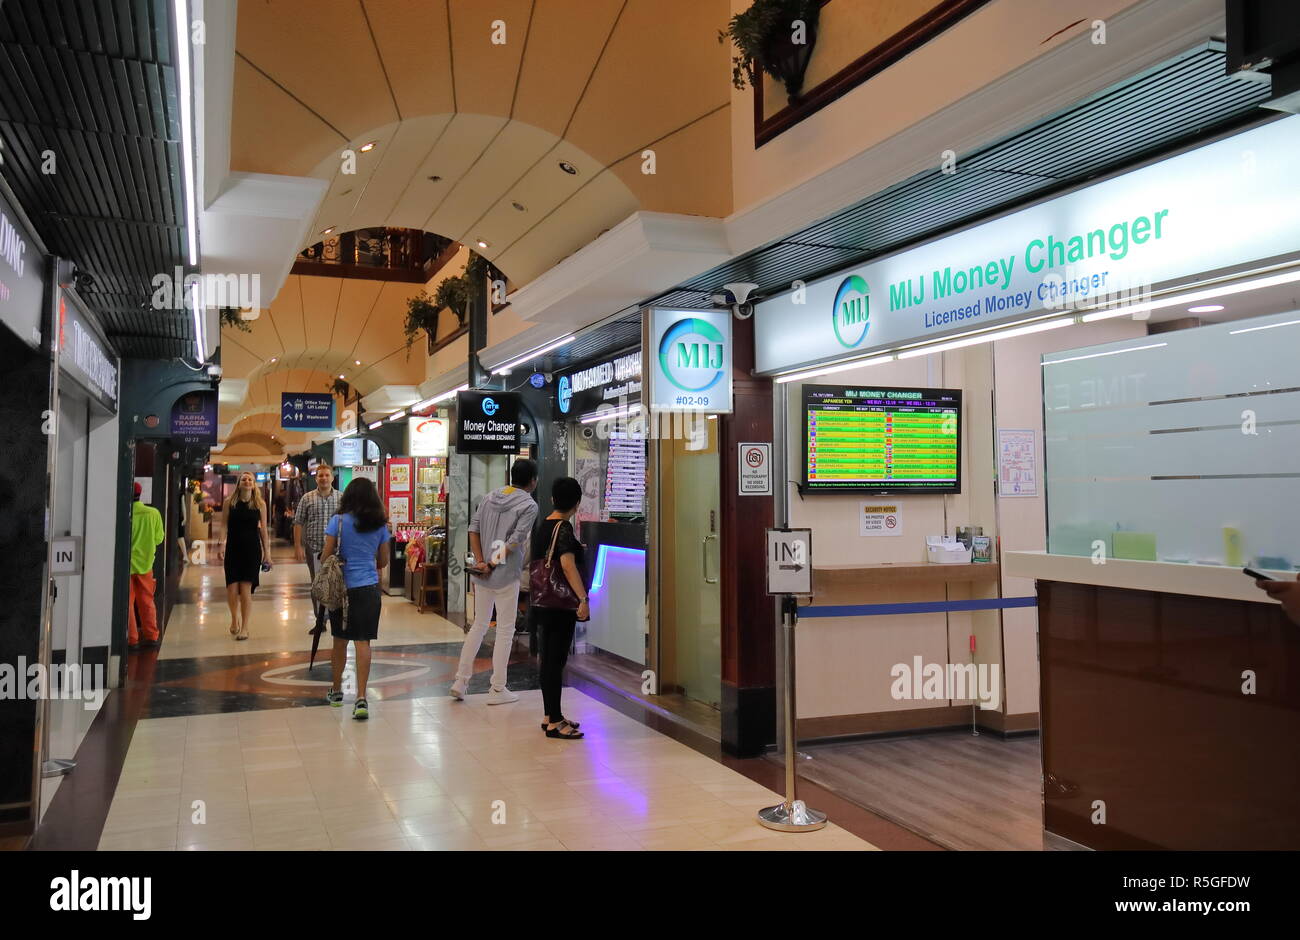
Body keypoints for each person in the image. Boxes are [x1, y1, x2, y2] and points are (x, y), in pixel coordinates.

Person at [450, 458, 539, 704]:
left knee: (479, 625)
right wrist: (492, 563)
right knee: (504, 630)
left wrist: (481, 561)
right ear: (533, 481)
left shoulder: (490, 497)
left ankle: (461, 681)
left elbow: (473, 529)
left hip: (483, 577)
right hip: (506, 575)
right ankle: (498, 689)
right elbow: (515, 541)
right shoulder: (529, 505)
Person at [320, 477, 392, 720]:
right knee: (363, 642)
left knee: (339, 641)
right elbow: (383, 562)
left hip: (341, 589)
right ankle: (361, 698)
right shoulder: (380, 526)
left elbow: (324, 557)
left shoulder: (337, 521)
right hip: (369, 588)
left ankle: (337, 691)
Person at [531, 476, 589, 740]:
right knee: (556, 661)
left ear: (553, 499)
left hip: (542, 600)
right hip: (559, 603)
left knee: (548, 659)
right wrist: (583, 599)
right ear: (577, 503)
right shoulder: (563, 528)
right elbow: (566, 565)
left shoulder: (544, 525)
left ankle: (550, 715)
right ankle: (555, 721)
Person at [217, 470, 271, 640]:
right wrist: (221, 544)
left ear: (254, 484)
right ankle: (234, 619)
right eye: (244, 479)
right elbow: (224, 525)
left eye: (250, 479)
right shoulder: (229, 502)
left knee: (246, 588)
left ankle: (245, 627)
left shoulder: (260, 504)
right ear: (239, 483)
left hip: (252, 549)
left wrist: (267, 553)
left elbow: (263, 530)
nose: (247, 481)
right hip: (233, 548)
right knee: (232, 588)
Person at [293, 463, 340, 635]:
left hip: (336, 551)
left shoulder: (341, 499)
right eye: (321, 475)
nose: (324, 478)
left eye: (327, 475)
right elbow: (298, 523)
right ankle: (320, 620)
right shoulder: (307, 498)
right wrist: (297, 546)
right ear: (316, 478)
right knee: (317, 585)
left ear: (332, 477)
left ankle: (335, 617)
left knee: (335, 585)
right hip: (314, 548)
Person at [128, 481, 165, 650]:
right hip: (146, 564)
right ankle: (151, 636)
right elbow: (159, 538)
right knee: (147, 600)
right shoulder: (153, 513)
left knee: (127, 603)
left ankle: (132, 639)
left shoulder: (124, 514)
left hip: (126, 566)